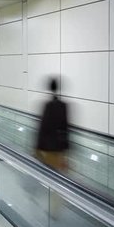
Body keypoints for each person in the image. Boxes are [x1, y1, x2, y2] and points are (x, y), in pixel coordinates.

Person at [35, 77, 70, 217]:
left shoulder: (47, 106)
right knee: (59, 180)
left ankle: (44, 202)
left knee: (48, 177)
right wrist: (67, 150)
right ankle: (54, 209)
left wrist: (37, 148)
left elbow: (42, 128)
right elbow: (66, 128)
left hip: (48, 150)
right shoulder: (64, 106)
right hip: (60, 151)